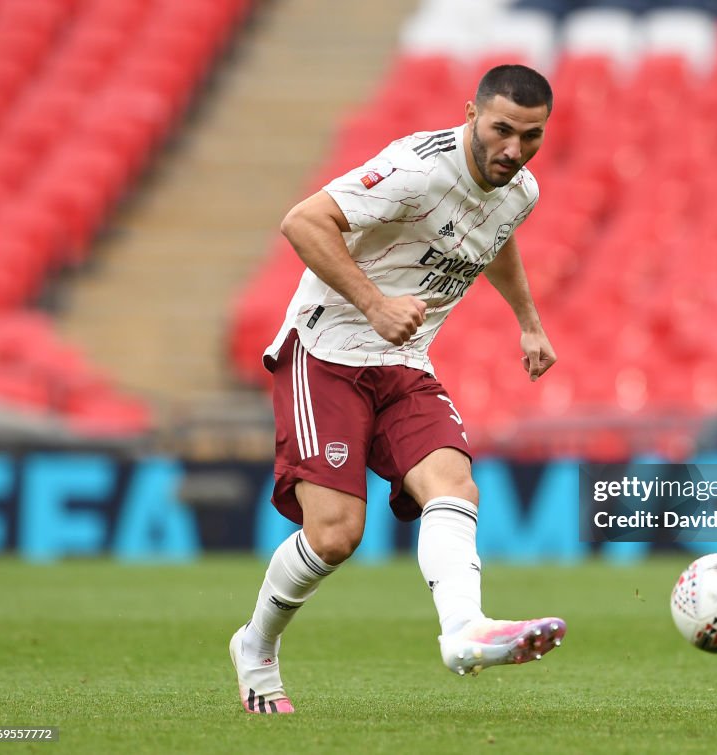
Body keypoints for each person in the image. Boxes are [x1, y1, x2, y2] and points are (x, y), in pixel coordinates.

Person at [229, 65, 566, 715]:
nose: (514, 150)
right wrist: (376, 303)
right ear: (471, 112)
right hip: (325, 353)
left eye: (531, 136)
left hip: (406, 361)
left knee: (454, 484)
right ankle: (255, 644)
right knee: (334, 537)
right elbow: (303, 221)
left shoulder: (519, 189)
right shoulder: (416, 167)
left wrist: (528, 322)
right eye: (501, 130)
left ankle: (464, 628)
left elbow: (493, 238)